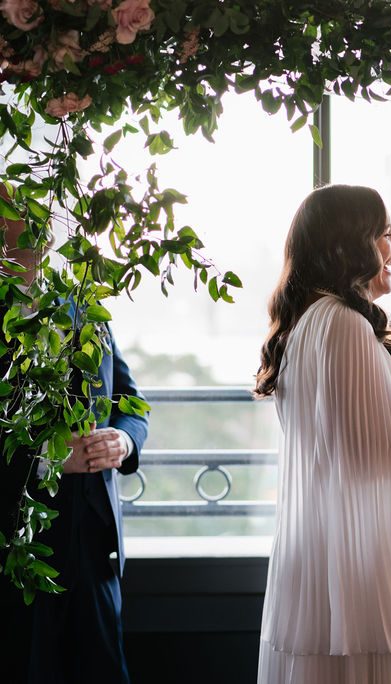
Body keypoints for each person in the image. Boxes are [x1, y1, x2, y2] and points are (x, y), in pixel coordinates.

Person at [254, 184, 391, 684]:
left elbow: (348, 440)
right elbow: (368, 459)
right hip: (356, 569)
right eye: (385, 233)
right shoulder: (343, 326)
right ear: (347, 246)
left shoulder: (313, 322)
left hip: (332, 557)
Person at [1, 184, 149, 684]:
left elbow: (131, 400)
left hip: (93, 541)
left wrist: (123, 441)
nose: (37, 222)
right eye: (20, 213)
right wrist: (45, 458)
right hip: (15, 552)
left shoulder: (83, 303)